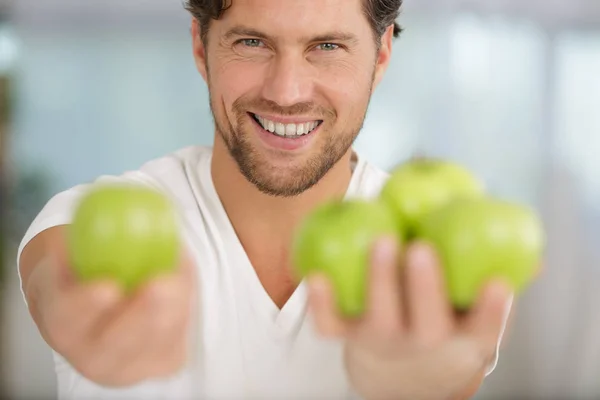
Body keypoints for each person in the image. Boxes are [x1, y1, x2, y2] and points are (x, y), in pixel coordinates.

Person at [17, 0, 517, 399]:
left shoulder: (434, 244)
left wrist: (421, 386)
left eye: (326, 46)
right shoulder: (87, 218)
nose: (286, 91)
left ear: (381, 54)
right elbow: (54, 281)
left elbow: (456, 367)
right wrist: (79, 320)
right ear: (200, 47)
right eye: (252, 42)